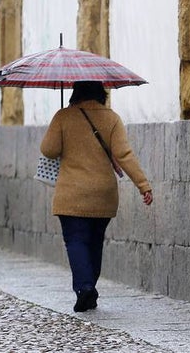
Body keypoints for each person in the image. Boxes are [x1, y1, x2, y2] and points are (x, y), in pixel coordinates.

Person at [39, 80, 154, 312]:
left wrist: (61, 126)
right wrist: (143, 185)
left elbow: (48, 150)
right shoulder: (112, 118)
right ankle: (89, 288)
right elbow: (124, 154)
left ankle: (85, 288)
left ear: (76, 92)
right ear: (101, 93)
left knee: (76, 240)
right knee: (94, 241)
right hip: (103, 194)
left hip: (71, 195)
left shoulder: (63, 116)